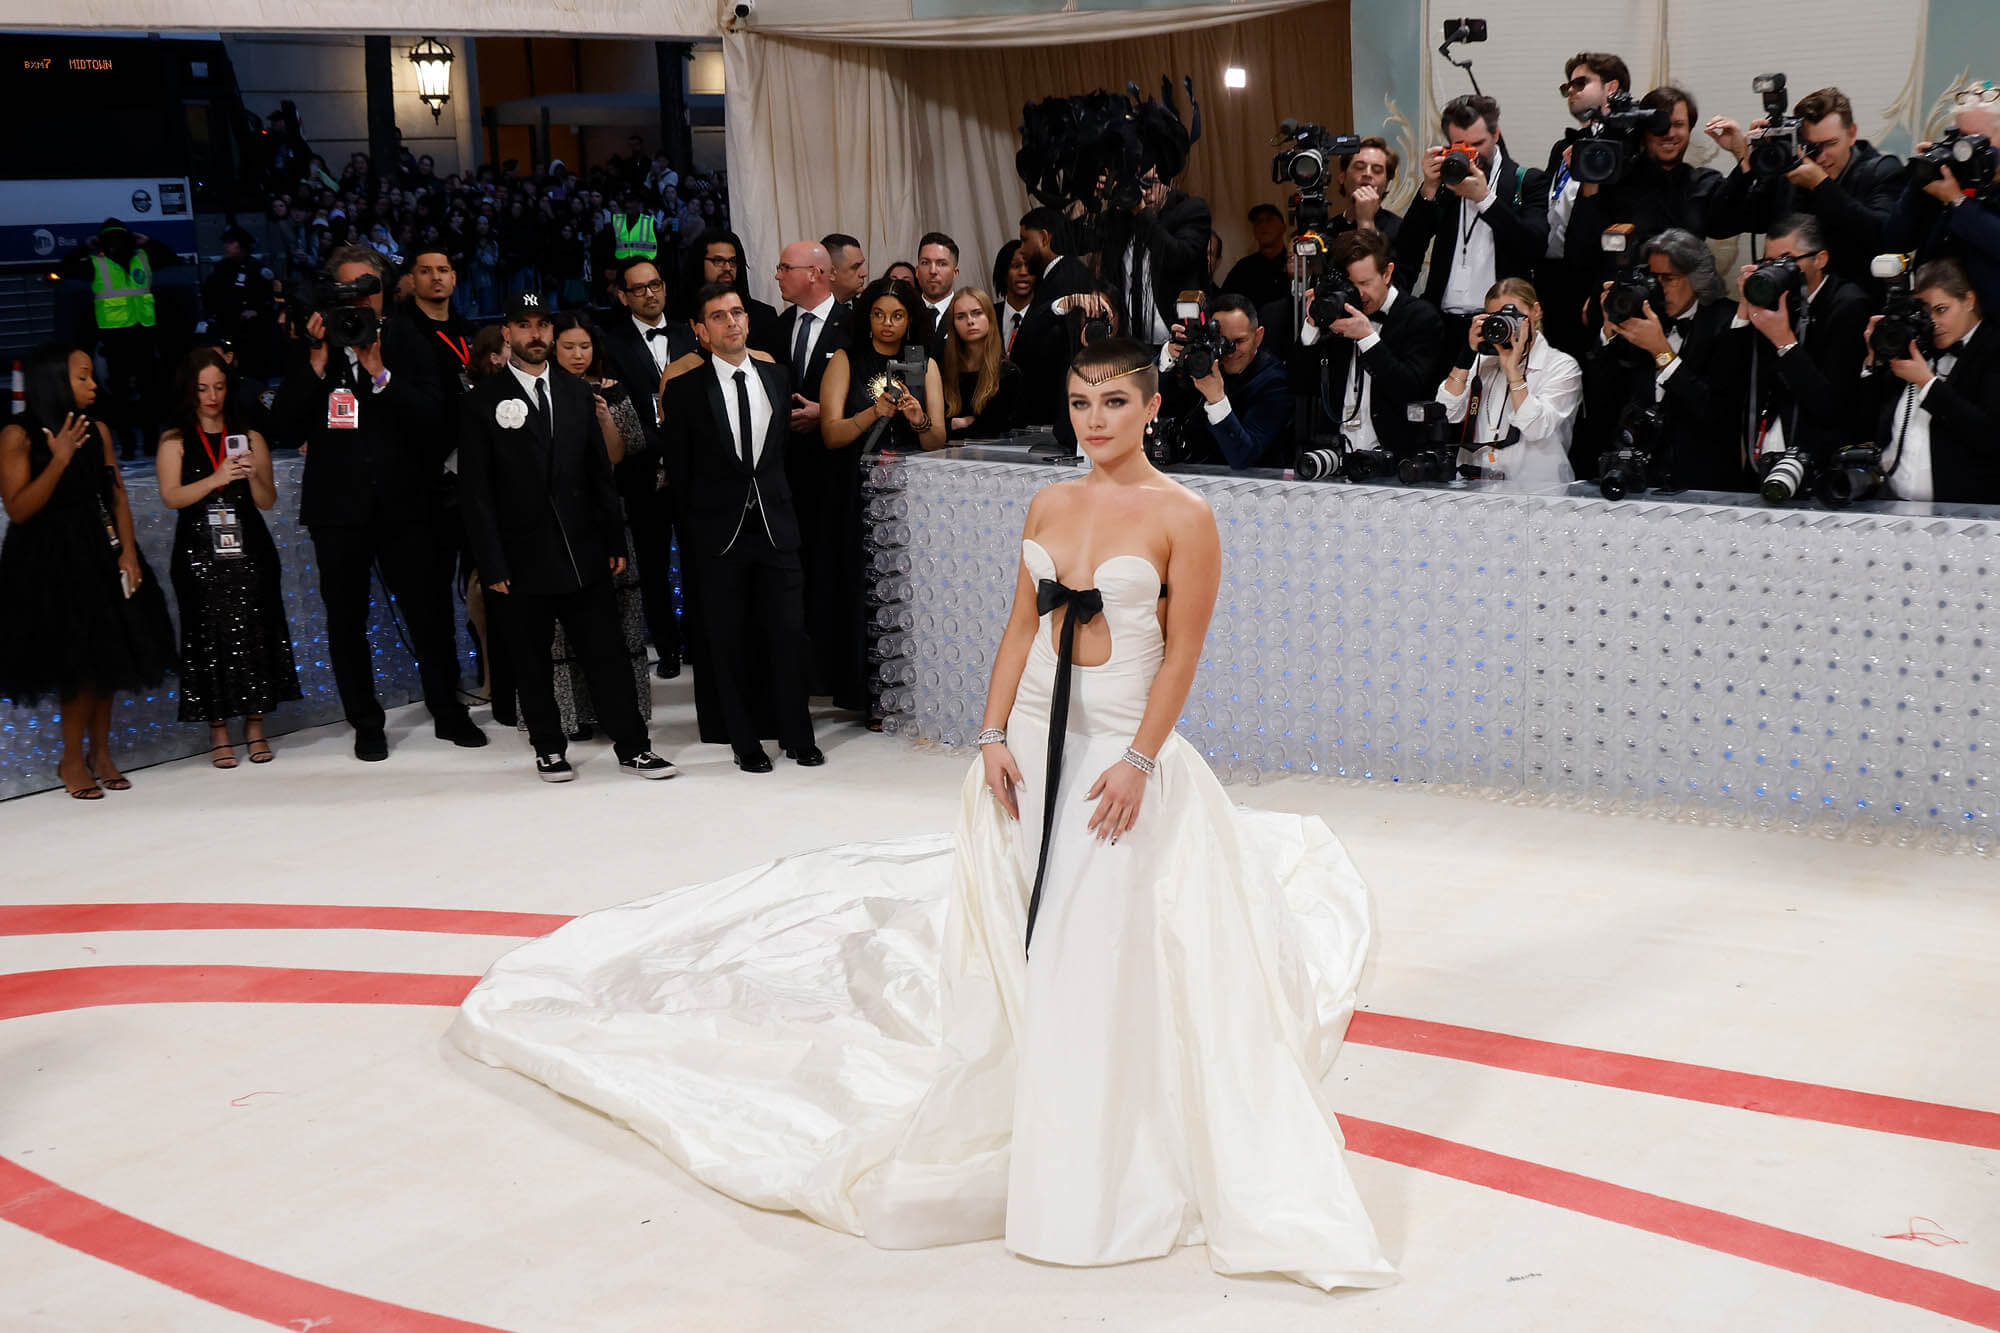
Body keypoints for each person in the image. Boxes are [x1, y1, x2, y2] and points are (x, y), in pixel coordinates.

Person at [452, 335, 1396, 1293]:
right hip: (1028, 740)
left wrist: (1142, 761)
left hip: (1118, 748)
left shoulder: (1185, 516)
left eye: (1112, 400)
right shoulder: (1048, 501)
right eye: (1078, 401)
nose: (1093, 418)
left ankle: (1115, 1146)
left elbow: (1185, 653)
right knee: (1035, 931)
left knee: (1099, 934)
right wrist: (989, 735)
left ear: (1151, 407)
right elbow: (1021, 625)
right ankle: (1049, 1105)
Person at [276, 244, 486, 761]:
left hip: (407, 503)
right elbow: (282, 426)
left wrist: (379, 374)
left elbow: (436, 419)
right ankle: (366, 723)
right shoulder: (313, 345)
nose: (358, 299)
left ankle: (448, 710)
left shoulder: (405, 337)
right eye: (347, 289)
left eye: (366, 288)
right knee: (345, 621)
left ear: (384, 291)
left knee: (430, 613)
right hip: (337, 509)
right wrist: (316, 363)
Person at [457, 293, 676, 783]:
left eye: (542, 325)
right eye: (524, 325)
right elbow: (476, 493)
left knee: (608, 654)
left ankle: (634, 748)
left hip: (585, 552)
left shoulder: (578, 393)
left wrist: (614, 542)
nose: (535, 334)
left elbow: (600, 474)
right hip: (519, 557)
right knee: (532, 660)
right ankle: (549, 748)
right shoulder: (481, 402)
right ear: (507, 333)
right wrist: (491, 564)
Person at [657, 283, 822, 771]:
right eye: (718, 316)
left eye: (737, 313)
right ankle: (744, 741)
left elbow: (783, 459)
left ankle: (798, 734)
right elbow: (679, 474)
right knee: (728, 640)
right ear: (702, 331)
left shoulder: (777, 375)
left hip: (777, 528)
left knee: (790, 634)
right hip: (719, 535)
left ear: (747, 320)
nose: (731, 322)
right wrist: (699, 535)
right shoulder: (685, 390)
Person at [0, 344, 177, 798]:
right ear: (57, 380)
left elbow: (115, 492)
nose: (94, 384)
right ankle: (71, 760)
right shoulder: (17, 435)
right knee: (76, 666)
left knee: (108, 660)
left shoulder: (97, 430)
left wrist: (129, 554)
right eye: (83, 377)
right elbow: (19, 509)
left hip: (101, 551)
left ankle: (101, 754)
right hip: (46, 560)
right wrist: (58, 456)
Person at [156, 349, 301, 768]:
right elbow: (171, 496)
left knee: (256, 632)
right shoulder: (175, 439)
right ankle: (217, 731)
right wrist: (216, 477)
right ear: (190, 390)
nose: (211, 396)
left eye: (218, 387)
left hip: (250, 547)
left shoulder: (249, 436)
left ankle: (255, 727)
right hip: (198, 550)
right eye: (203, 389)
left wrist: (253, 472)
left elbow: (268, 501)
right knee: (206, 639)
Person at [529, 312, 653, 741]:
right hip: (555, 524)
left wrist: (602, 418)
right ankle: (571, 716)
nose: (578, 355)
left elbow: (621, 456)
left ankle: (620, 715)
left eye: (585, 347)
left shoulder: (613, 390)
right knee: (562, 633)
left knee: (616, 620)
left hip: (607, 516)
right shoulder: (540, 394)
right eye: (569, 347)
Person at [1557, 86, 1723, 350]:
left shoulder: (1703, 183)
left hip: (1685, 315)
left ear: (1690, 129)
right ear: (1643, 131)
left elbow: (1739, 219)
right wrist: (1590, 172)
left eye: (1678, 124)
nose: (1669, 133)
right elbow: (1580, 250)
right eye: (1660, 126)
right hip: (1621, 308)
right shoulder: (1616, 184)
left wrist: (1743, 155)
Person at [1580, 228, 1746, 492]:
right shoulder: (1639, 316)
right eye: (1652, 278)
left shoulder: (1727, 322)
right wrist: (1609, 334)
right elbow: (1602, 404)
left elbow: (1718, 412)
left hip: (1705, 484)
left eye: (1667, 279)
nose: (1656, 288)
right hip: (1640, 480)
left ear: (1696, 278)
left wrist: (1662, 353)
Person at [1704, 86, 1905, 293]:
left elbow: (1883, 240)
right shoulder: (1789, 176)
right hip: (1792, 307)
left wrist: (1821, 186)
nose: (1821, 157)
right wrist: (1746, 162)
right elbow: (1720, 226)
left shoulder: (1882, 172)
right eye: (1812, 147)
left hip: (1857, 308)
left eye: (1831, 144)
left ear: (1852, 134)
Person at [1395, 95, 1550, 349]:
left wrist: (1485, 199)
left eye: (1479, 143)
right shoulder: (1446, 185)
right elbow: (1407, 248)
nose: (1473, 155)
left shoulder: (1528, 181)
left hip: (1501, 326)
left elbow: (1534, 245)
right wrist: (1428, 190)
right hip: (1443, 327)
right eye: (1462, 146)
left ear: (1496, 134)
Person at [597, 256, 689, 680]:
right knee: (651, 566)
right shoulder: (610, 345)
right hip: (641, 470)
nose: (650, 293)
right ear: (623, 296)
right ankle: (667, 647)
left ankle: (701, 641)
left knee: (699, 559)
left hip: (694, 467)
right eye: (639, 288)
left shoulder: (693, 333)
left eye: (655, 284)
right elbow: (618, 410)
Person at [769, 240, 853, 700]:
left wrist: (830, 411)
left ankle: (838, 674)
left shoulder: (853, 325)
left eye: (785, 268)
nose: (777, 275)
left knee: (833, 574)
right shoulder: (776, 329)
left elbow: (878, 382)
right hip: (788, 475)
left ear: (817, 274)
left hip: (837, 472)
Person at [1727, 214, 1870, 478]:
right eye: (1769, 262)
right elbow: (1732, 385)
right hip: (1765, 448)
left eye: (1786, 261)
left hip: (1820, 463)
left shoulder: (1848, 304)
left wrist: (1784, 342)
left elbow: (1831, 404)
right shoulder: (1774, 297)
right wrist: (1744, 310)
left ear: (1820, 259)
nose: (1775, 271)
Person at [1295, 229, 1445, 463]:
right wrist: (1313, 325)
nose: (1359, 294)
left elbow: (1410, 387)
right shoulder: (1337, 311)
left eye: (1365, 283)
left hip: (1397, 460)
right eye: (1351, 285)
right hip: (1335, 456)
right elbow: (1300, 383)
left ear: (1387, 273)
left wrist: (1368, 339)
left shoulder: (1420, 316)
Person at [1858, 258, 2000, 504]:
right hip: (1890, 505)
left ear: (1969, 300)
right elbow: (1865, 421)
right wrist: (1873, 362)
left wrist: (1927, 384)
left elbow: (1990, 435)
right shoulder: (1917, 342)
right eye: (1925, 312)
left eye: (1941, 309)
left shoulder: (1994, 349)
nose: (1932, 322)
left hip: (1966, 516)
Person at [1435, 277, 1583, 490]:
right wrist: (1465, 357)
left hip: (1537, 492)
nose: (1506, 325)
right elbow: (1447, 413)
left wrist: (1512, 371)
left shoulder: (1562, 366)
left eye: (1514, 317)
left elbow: (1536, 428)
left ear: (1536, 311)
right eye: (1496, 318)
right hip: (1476, 487)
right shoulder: (1481, 362)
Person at [1885, 82, 2000, 317]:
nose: (1963, 148)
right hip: (1934, 321)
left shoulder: (1954, 193)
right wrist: (1922, 180)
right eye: (1959, 137)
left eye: (1976, 140)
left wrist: (1958, 202)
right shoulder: (1952, 178)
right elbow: (1895, 240)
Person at [1160, 294, 1290, 468]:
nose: (1230, 350)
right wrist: (1168, 356)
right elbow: (1152, 405)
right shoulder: (1200, 361)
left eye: (1239, 341)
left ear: (1258, 337)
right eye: (1221, 341)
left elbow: (1245, 457)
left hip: (1255, 486)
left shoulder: (1273, 381)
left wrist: (1217, 400)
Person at [1094, 165, 1213, 348]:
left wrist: (1141, 211)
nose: (1143, 191)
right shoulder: (1118, 220)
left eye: (1149, 183)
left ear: (1170, 181)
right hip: (1127, 346)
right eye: (1136, 183)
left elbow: (1177, 257)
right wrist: (1092, 198)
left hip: (1177, 345)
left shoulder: (1191, 210)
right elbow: (1074, 241)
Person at [1012, 208, 1096, 425]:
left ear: (1043, 237)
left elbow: (1066, 344)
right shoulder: (1054, 275)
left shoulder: (1068, 276)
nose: (1021, 250)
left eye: (1024, 240)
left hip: (1055, 409)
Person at [942, 287, 1023, 440]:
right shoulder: (943, 371)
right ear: (953, 324)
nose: (970, 321)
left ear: (990, 317)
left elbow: (995, 428)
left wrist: (955, 424)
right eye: (960, 316)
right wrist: (960, 423)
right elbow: (936, 427)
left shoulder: (1008, 373)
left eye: (977, 313)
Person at [1328, 138, 1403, 246]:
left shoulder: (1400, 230)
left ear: (1386, 184)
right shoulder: (1327, 229)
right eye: (1359, 167)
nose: (1367, 173)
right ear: (1342, 177)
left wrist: (1366, 223)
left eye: (1377, 170)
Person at [1220, 203, 1291, 311]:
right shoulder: (1243, 268)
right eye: (1258, 221)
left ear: (1283, 226)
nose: (1263, 225)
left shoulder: (1295, 264)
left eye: (1269, 219)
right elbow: (1225, 303)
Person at [914, 232, 961, 360]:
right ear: (917, 271)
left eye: (942, 263)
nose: (933, 271)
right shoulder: (906, 312)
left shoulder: (966, 313)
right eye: (925, 263)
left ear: (955, 273)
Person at [992, 239, 1036, 362]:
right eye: (1016, 266)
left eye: (1030, 266)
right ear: (1003, 272)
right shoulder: (988, 315)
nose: (1023, 272)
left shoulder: (1048, 317)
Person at [822, 232, 869, 313]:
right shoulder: (805, 314)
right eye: (855, 267)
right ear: (831, 273)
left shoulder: (869, 312)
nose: (864, 273)